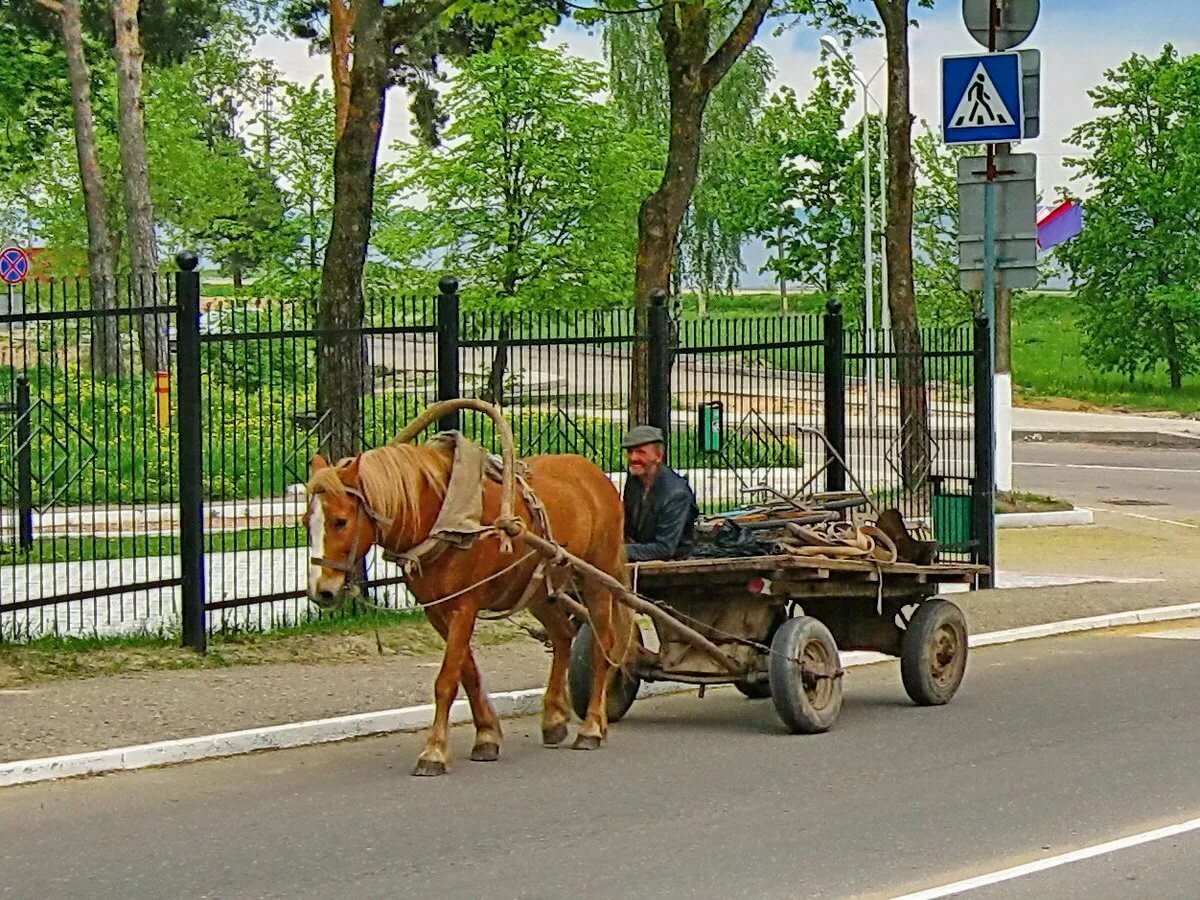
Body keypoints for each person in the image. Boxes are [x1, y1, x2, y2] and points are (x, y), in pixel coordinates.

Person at [620, 425, 699, 562]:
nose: (633, 457)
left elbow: (664, 549)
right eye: (630, 451)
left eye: (640, 452)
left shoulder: (676, 494)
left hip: (673, 566)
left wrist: (613, 550)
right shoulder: (635, 480)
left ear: (658, 456)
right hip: (639, 557)